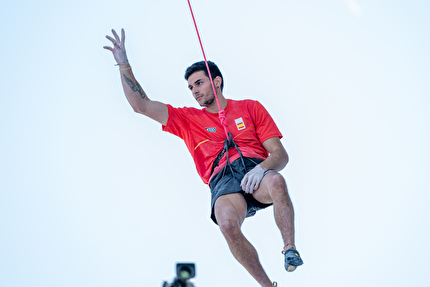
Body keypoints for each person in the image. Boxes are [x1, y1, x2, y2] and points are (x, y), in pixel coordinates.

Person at [104, 28, 303, 287]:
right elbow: (141, 105)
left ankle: (290, 248)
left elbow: (280, 155)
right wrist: (123, 64)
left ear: (216, 81)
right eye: (190, 87)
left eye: (199, 83)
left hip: (255, 170)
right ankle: (267, 285)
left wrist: (261, 169)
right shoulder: (188, 118)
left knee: (277, 181)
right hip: (223, 181)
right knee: (228, 226)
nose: (194, 91)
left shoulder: (250, 107)